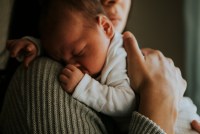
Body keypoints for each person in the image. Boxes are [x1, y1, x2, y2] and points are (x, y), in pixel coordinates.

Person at [1, 0, 200, 134]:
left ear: (105, 27)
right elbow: (65, 43)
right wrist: (159, 95)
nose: (71, 65)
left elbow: (124, 101)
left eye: (78, 53)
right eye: (62, 59)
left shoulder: (117, 58)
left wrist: (83, 86)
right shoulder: (41, 79)